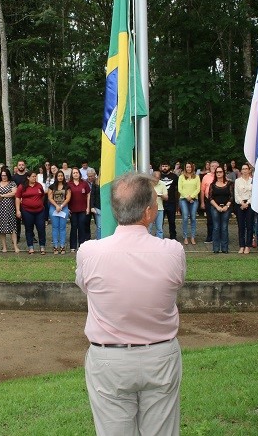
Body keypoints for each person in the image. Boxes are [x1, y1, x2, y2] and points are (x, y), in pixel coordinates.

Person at [75, 172, 185, 436]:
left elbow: (85, 288)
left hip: (110, 360)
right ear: (148, 212)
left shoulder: (90, 252)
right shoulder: (172, 251)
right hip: (158, 356)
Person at [16, 170, 47, 255]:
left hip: (39, 211)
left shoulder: (39, 185)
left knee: (41, 229)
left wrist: (39, 203)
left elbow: (42, 196)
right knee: (29, 229)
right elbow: (18, 198)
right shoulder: (22, 186)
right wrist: (18, 210)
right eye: (33, 176)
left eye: (35, 176)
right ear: (28, 177)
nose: (34, 178)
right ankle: (30, 247)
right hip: (27, 211)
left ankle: (42, 246)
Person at [0, 167, 19, 253]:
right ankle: (4, 247)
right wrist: (0, 195)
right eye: (2, 175)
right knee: (1, 228)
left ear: (8, 175)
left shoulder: (12, 183)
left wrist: (3, 195)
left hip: (9, 207)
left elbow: (14, 193)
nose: (3, 177)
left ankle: (15, 246)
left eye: (5, 175)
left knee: (12, 227)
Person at [209, 166, 233, 254]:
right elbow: (210, 197)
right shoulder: (212, 185)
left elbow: (232, 196)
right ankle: (215, 248)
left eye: (220, 172)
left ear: (223, 173)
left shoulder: (229, 184)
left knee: (224, 227)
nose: (219, 174)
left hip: (226, 207)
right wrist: (217, 207)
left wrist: (227, 206)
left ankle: (225, 248)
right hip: (215, 207)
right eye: (217, 172)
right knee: (216, 227)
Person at [67, 167, 91, 251]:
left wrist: (88, 207)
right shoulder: (68, 184)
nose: (75, 174)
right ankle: (73, 247)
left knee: (82, 227)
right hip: (72, 210)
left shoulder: (84, 183)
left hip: (83, 209)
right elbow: (65, 197)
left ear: (79, 174)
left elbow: (88, 195)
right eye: (74, 173)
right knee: (73, 227)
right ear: (72, 175)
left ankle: (82, 245)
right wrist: (67, 208)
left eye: (77, 172)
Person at [48, 170, 71, 254]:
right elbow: (50, 198)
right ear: (56, 177)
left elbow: (68, 198)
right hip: (53, 208)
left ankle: (62, 246)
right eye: (59, 176)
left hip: (64, 208)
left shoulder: (67, 186)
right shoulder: (51, 187)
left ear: (63, 177)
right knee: (55, 227)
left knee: (62, 227)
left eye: (61, 175)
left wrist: (61, 206)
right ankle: (55, 246)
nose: (60, 177)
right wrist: (56, 206)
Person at [178, 162, 200, 245]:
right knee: (185, 217)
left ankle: (193, 237)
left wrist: (192, 197)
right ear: (185, 168)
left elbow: (198, 189)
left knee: (193, 218)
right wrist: (187, 197)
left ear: (192, 168)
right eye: (187, 167)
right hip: (183, 199)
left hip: (194, 200)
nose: (188, 169)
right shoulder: (181, 177)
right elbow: (180, 189)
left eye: (190, 167)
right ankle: (185, 237)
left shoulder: (197, 177)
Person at [234, 164, 254, 254]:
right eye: (243, 169)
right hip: (240, 204)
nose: (245, 170)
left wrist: (247, 203)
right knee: (241, 226)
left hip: (250, 204)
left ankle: (248, 246)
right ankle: (241, 245)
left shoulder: (253, 181)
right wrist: (242, 203)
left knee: (249, 226)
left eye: (246, 169)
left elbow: (254, 194)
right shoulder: (237, 181)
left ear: (249, 170)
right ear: (241, 171)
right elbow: (236, 194)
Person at [149, 170, 169, 238]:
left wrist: (161, 196)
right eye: (155, 178)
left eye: (158, 178)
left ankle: (159, 243)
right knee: (149, 228)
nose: (156, 180)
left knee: (159, 229)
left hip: (160, 209)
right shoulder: (148, 184)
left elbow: (166, 197)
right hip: (150, 209)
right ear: (152, 177)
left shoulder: (162, 184)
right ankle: (148, 244)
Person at [86, 168, 101, 240]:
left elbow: (93, 195)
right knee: (86, 223)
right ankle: (88, 238)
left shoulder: (97, 182)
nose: (90, 178)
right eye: (89, 176)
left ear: (95, 175)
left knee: (98, 224)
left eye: (91, 176)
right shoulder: (85, 182)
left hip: (96, 205)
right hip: (87, 205)